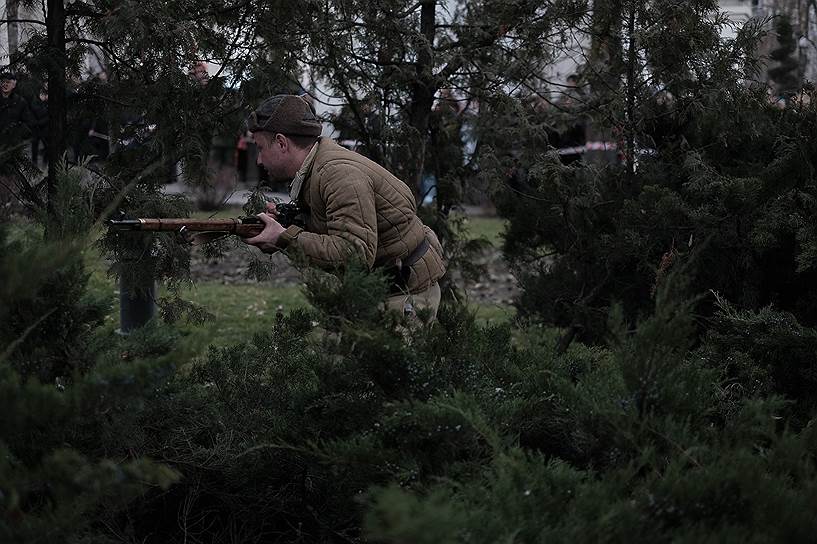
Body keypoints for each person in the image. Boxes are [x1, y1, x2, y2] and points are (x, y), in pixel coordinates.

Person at [243, 94, 447, 320]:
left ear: (282, 143)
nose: (258, 160)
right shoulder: (318, 165)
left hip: (402, 300)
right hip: (379, 293)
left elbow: (355, 254)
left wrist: (285, 238)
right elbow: (337, 224)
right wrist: (291, 222)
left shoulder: (338, 174)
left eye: (260, 148)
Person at [0, 71, 32, 149]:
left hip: (12, 146)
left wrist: (16, 134)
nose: (5, 84)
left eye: (8, 82)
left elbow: (28, 123)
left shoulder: (20, 102)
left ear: (14, 85)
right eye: (3, 82)